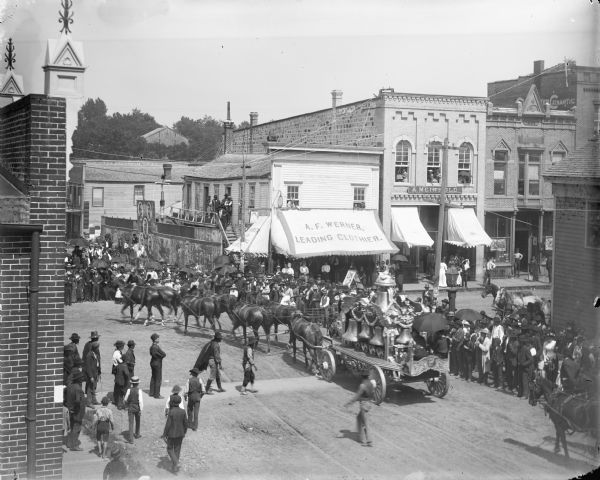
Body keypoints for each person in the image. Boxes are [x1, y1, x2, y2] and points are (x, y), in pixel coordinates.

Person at [343, 371, 374, 446]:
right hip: (369, 403)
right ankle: (360, 437)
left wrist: (348, 403)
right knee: (358, 417)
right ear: (368, 376)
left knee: (365, 423)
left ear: (362, 377)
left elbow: (357, 396)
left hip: (363, 404)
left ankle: (368, 441)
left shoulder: (362, 385)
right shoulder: (371, 384)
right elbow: (372, 394)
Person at [162, 395, 188, 474]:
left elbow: (168, 424)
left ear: (171, 402)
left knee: (169, 449)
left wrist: (164, 434)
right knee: (177, 449)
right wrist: (184, 432)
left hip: (171, 434)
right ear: (180, 402)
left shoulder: (171, 412)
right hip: (180, 434)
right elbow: (186, 423)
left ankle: (175, 462)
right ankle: (175, 467)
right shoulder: (183, 411)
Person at [65, 370, 86, 451]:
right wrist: (75, 408)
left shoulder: (70, 386)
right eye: (81, 378)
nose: (82, 379)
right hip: (77, 412)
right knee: (76, 428)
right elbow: (77, 401)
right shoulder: (78, 389)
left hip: (71, 410)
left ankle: (69, 443)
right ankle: (75, 445)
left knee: (72, 426)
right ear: (79, 379)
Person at [124, 376, 143, 443]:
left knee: (131, 423)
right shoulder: (139, 391)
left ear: (131, 383)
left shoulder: (129, 390)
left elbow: (125, 399)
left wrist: (126, 405)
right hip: (137, 407)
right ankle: (137, 434)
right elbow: (140, 401)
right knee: (138, 421)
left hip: (131, 407)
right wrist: (141, 409)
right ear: (138, 383)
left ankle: (131, 439)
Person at [83, 340, 101, 406]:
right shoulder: (89, 355)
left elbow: (98, 364)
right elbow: (88, 367)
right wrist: (91, 377)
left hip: (95, 373)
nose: (98, 349)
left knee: (93, 388)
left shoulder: (95, 354)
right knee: (90, 388)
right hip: (91, 375)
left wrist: (99, 372)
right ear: (95, 348)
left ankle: (94, 400)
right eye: (97, 348)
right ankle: (89, 402)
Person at [150, 333, 166, 399]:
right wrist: (161, 356)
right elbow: (162, 354)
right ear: (155, 339)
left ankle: (152, 392)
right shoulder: (155, 347)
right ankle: (157, 394)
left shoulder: (152, 346)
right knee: (158, 379)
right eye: (158, 338)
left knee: (153, 377)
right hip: (157, 364)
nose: (159, 339)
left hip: (153, 363)